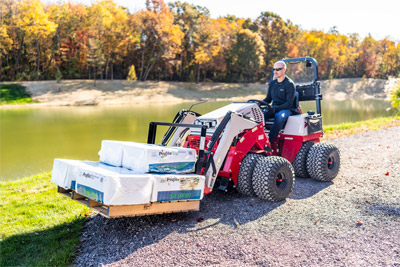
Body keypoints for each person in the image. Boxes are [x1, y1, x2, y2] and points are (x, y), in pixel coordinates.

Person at [263, 60, 297, 143]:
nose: (275, 71)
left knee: (279, 117)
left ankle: (269, 141)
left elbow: (289, 104)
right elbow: (268, 99)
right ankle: (258, 137)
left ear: (284, 70)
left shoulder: (289, 84)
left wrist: (275, 108)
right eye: (274, 69)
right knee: (258, 114)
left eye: (278, 69)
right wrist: (256, 104)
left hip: (287, 109)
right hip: (274, 108)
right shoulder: (272, 83)